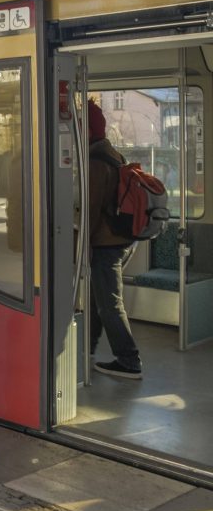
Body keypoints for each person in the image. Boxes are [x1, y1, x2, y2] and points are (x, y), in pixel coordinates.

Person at [87, 99, 142, 379]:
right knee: (100, 298)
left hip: (106, 244)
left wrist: (80, 244)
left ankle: (128, 360)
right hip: (121, 239)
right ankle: (89, 346)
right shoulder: (114, 154)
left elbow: (91, 210)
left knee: (109, 303)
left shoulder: (95, 163)